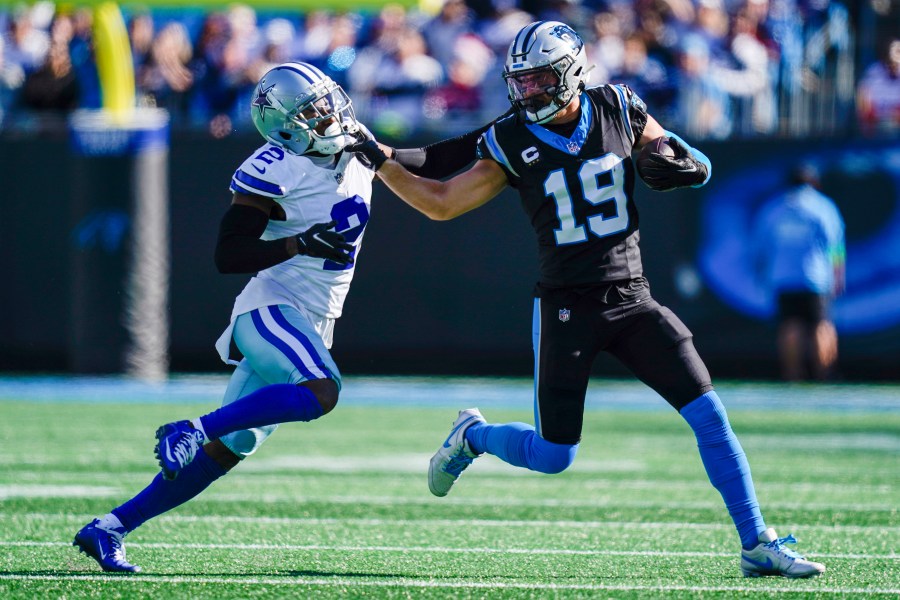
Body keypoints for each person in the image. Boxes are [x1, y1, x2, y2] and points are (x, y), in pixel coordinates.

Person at [350, 20, 826, 579]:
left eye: (539, 80)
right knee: (554, 456)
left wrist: (688, 162)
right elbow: (442, 201)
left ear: (572, 71)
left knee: (710, 414)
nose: (528, 93)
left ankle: (756, 542)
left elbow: (685, 157)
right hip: (567, 306)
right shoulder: (511, 138)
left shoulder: (618, 106)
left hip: (634, 297)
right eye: (520, 82)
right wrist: (380, 160)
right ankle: (472, 436)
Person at [73, 62, 371, 573]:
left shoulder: (357, 141)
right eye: (313, 111)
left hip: (312, 319)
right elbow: (228, 255)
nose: (330, 114)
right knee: (322, 390)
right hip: (274, 308)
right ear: (286, 128)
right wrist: (298, 243)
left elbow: (413, 165)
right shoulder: (275, 166)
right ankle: (189, 425)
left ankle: (109, 528)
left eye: (327, 101)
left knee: (225, 451)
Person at [753, 163, 845, 381]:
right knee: (821, 326)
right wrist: (838, 276)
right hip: (815, 277)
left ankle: (793, 376)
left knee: (790, 327)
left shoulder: (773, 208)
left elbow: (761, 246)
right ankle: (824, 374)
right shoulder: (823, 207)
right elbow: (836, 246)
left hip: (782, 277)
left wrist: (764, 273)